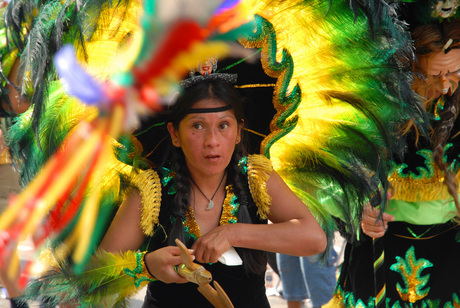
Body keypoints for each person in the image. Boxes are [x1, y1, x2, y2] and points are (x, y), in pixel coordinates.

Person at [94, 77, 327, 307]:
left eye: (224, 125)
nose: (212, 141)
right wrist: (145, 266)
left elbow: (314, 239)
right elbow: (93, 279)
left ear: (238, 131)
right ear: (175, 134)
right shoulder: (151, 189)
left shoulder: (257, 177)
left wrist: (234, 234)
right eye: (198, 126)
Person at [334, 16, 460, 308]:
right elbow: (336, 177)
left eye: (454, 72)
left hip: (450, 256)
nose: (444, 86)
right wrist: (358, 208)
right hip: (380, 249)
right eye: (432, 75)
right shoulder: (377, 112)